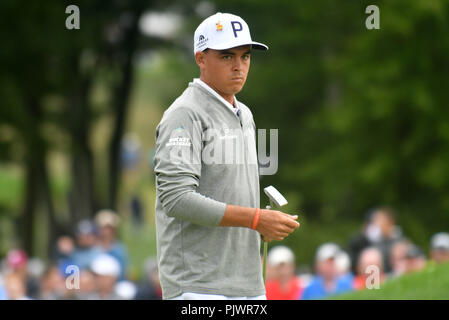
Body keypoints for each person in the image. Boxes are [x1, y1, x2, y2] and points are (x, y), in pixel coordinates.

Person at [154, 12, 300, 300]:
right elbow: (176, 198)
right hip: (198, 285)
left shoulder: (244, 113)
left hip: (246, 283)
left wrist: (262, 225)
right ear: (200, 58)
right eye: (226, 56)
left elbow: (230, 193)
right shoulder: (185, 113)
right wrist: (256, 218)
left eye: (245, 56)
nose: (239, 66)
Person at [94, 209, 129, 281]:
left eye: (109, 228)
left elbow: (124, 272)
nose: (106, 232)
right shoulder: (93, 248)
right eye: (104, 228)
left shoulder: (120, 249)